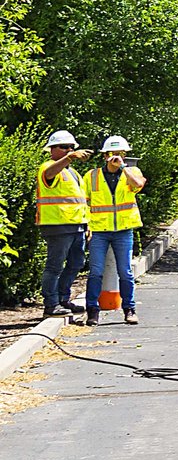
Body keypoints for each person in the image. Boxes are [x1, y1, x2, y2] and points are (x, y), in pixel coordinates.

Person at [84, 136, 147, 326]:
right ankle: (92, 311)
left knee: (125, 272)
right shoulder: (91, 176)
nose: (116, 157)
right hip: (99, 230)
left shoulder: (132, 171)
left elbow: (138, 185)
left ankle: (129, 309)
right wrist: (86, 225)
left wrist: (123, 168)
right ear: (104, 155)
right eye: (112, 154)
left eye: (120, 153)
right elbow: (84, 202)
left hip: (123, 230)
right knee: (95, 272)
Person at [36, 131, 90, 321]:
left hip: (76, 225)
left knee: (77, 263)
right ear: (52, 149)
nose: (69, 150)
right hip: (57, 225)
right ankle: (51, 304)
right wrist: (69, 158)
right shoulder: (48, 167)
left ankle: (62, 298)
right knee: (54, 266)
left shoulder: (73, 173)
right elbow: (49, 174)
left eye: (71, 147)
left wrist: (87, 224)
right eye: (64, 147)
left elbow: (81, 201)